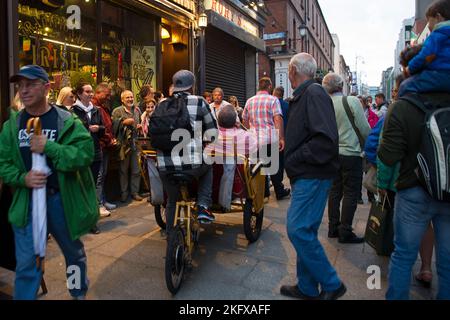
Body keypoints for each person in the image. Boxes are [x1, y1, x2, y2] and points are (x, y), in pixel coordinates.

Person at [0, 65, 98, 299]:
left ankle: (77, 293)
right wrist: (22, 178)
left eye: (31, 85)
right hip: (26, 204)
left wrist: (50, 147)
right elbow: (4, 164)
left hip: (61, 201)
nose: (24, 90)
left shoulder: (66, 120)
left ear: (46, 88)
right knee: (26, 264)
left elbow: (85, 154)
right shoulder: (11, 127)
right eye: (21, 86)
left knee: (73, 255)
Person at [378, 67, 450, 300]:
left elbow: (388, 156)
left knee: (403, 256)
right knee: (448, 261)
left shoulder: (403, 106)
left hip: (414, 190)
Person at [280, 53, 346, 300]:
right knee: (305, 230)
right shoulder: (306, 94)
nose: (287, 74)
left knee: (297, 229)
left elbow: (324, 140)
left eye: (289, 69)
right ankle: (307, 287)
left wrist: (294, 159)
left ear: (295, 70)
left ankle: (331, 283)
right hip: (307, 174)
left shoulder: (314, 93)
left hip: (312, 175)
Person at [156, 70, 218, 228]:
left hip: (164, 166)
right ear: (192, 86)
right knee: (208, 165)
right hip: (192, 166)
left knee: (171, 201)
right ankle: (203, 205)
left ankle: (171, 237)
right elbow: (213, 132)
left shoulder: (161, 104)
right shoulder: (199, 101)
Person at [322, 73, 371, 244]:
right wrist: (368, 145)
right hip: (351, 153)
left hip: (332, 154)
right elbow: (364, 128)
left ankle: (332, 228)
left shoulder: (324, 104)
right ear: (341, 85)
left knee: (335, 191)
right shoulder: (351, 101)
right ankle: (345, 231)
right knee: (350, 192)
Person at [243, 78, 290, 201]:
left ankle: (263, 193)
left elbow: (245, 121)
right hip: (269, 138)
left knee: (258, 167)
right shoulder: (273, 100)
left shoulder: (249, 101)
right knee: (274, 168)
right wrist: (281, 138)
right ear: (269, 87)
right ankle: (279, 191)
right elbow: (278, 119)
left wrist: (249, 133)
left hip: (254, 140)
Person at [204, 105, 257, 211]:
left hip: (212, 172)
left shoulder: (211, 135)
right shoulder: (245, 135)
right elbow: (254, 148)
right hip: (239, 176)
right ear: (234, 120)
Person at [72, 82, 110, 228]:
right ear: (80, 94)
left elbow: (103, 129)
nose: (91, 94)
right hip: (80, 153)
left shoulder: (96, 110)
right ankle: (80, 218)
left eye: (91, 91)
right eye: (87, 91)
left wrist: (98, 128)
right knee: (81, 186)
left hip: (95, 151)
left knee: (93, 186)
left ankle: (92, 221)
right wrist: (86, 128)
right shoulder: (73, 111)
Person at [399, 0, 450, 97]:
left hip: (441, 75)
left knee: (406, 86)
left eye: (428, 21)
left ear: (438, 17)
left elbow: (424, 55)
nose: (428, 25)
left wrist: (410, 68)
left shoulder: (437, 35)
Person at [112, 90, 143, 202]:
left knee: (136, 170)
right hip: (123, 145)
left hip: (135, 143)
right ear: (122, 100)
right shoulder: (117, 111)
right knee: (123, 170)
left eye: (131, 97)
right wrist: (123, 122)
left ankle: (135, 192)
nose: (130, 99)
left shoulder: (137, 110)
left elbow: (139, 124)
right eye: (127, 98)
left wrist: (139, 126)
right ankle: (124, 193)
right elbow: (112, 126)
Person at [92, 82, 117, 212]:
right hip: (100, 146)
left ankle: (103, 200)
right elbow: (100, 128)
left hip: (105, 145)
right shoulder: (94, 108)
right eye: (106, 95)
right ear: (98, 93)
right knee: (99, 176)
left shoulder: (102, 107)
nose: (108, 97)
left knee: (103, 175)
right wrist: (108, 140)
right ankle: (99, 204)